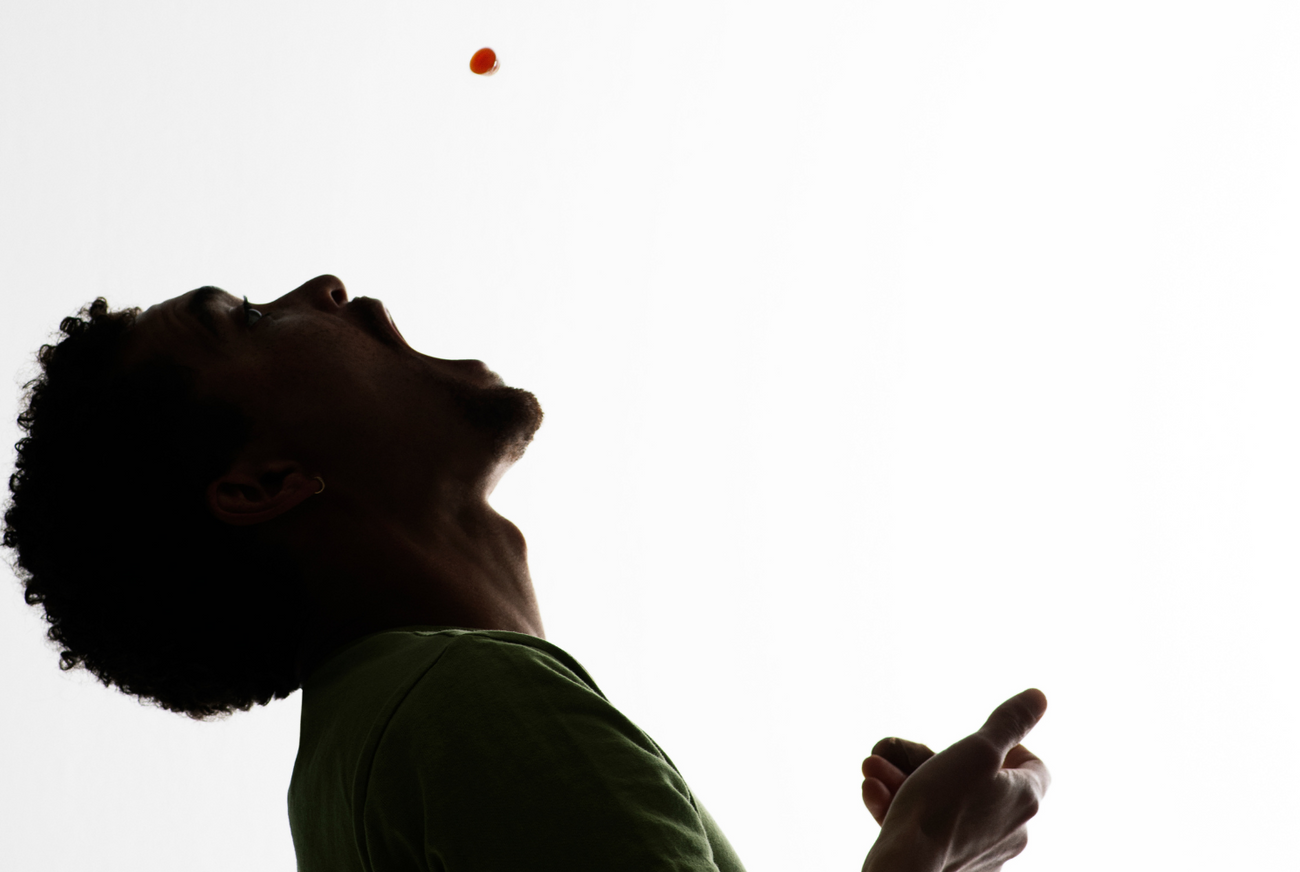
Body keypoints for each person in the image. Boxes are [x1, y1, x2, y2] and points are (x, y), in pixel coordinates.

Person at [3, 274, 1050, 871]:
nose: (322, 288)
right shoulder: (464, 708)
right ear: (268, 479)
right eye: (244, 318)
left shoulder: (371, 763)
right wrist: (920, 846)